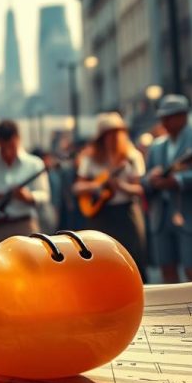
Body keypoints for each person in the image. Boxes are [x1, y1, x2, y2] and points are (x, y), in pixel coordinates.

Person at [141, 95, 192, 283]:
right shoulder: (158, 146)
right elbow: (145, 180)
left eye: (170, 116)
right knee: (167, 269)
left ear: (183, 116)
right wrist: (152, 180)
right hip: (162, 215)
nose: (164, 121)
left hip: (191, 213)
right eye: (162, 117)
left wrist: (178, 181)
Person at [73, 112, 148, 278]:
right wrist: (97, 186)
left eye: (117, 132)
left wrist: (120, 186)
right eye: (109, 134)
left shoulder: (132, 157)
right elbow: (78, 187)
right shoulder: (90, 159)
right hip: (101, 214)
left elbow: (139, 189)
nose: (114, 137)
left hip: (126, 212)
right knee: (102, 260)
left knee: (133, 258)